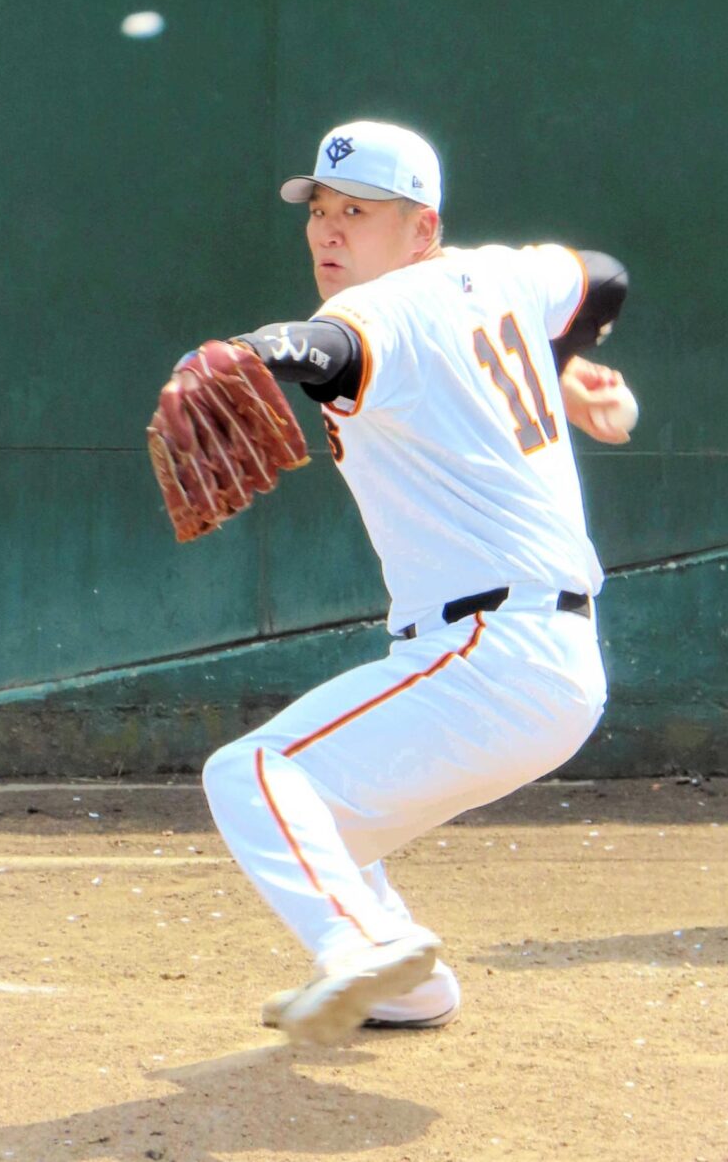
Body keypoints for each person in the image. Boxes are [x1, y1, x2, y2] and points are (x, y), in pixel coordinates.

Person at [191, 118, 633, 1042]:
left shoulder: (381, 308)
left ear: (422, 230)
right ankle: (406, 981)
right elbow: (602, 273)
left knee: (254, 771)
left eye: (358, 210)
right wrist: (554, 363)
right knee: (323, 824)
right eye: (319, 208)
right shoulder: (504, 273)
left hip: (491, 650)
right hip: (542, 659)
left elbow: (327, 350)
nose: (327, 231)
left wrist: (248, 351)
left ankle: (354, 948)